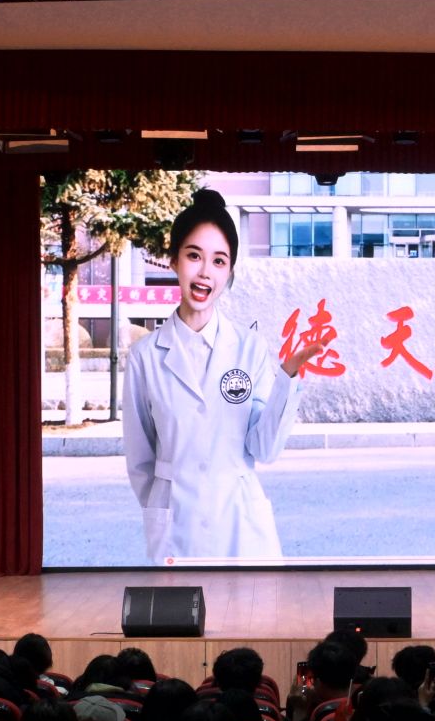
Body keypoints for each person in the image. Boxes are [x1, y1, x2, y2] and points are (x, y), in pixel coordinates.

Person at [122, 188, 323, 562]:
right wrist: (161, 509)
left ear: (229, 273)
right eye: (194, 256)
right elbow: (140, 462)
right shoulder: (144, 358)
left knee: (249, 602)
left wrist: (288, 378)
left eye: (218, 261)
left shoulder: (249, 348)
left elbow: (265, 449)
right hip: (176, 528)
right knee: (180, 603)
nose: (204, 272)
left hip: (241, 526)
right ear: (173, 260)